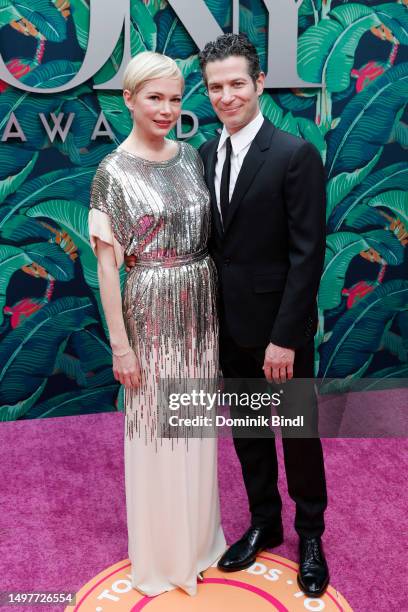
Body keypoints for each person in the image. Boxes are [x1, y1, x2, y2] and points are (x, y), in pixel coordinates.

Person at [127, 34, 329, 598]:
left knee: (298, 436)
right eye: (215, 87)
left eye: (237, 83)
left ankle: (310, 535)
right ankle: (265, 521)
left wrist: (285, 338)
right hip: (226, 328)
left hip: (278, 334)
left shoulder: (295, 154)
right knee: (248, 435)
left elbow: (307, 254)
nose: (226, 96)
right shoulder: (206, 154)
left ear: (259, 84)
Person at [88, 51, 226, 597]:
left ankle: (198, 542)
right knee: (157, 434)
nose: (167, 109)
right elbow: (107, 269)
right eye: (154, 98)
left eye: (174, 98)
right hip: (150, 309)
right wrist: (122, 349)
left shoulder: (191, 156)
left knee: (194, 426)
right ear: (128, 99)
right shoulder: (112, 172)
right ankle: (165, 554)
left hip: (201, 306)